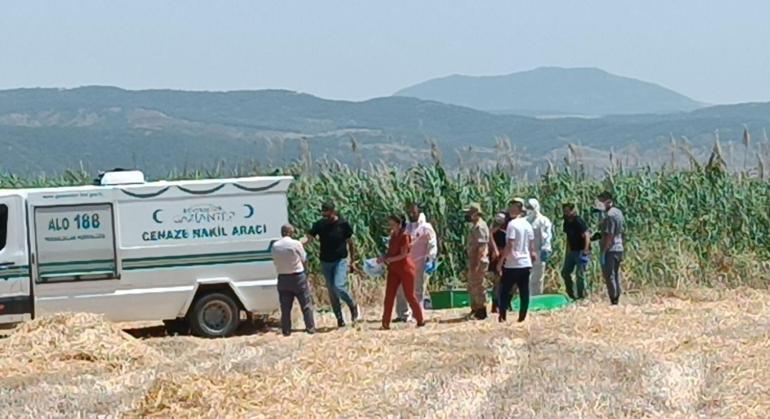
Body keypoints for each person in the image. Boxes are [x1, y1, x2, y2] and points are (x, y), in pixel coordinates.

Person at [304, 202, 361, 328]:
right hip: (325, 261)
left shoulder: (343, 225)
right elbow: (309, 238)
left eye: (328, 213)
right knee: (331, 291)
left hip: (340, 260)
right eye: (323, 213)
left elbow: (351, 243)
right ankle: (339, 319)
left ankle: (352, 305)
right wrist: (296, 245)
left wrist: (352, 261)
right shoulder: (320, 224)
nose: (326, 216)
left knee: (338, 286)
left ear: (334, 211)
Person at [379, 214, 426, 330]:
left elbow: (404, 254)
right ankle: (385, 323)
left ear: (399, 225)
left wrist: (390, 259)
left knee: (410, 295)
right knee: (389, 296)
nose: (391, 227)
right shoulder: (393, 236)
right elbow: (391, 252)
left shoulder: (405, 236)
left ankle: (420, 320)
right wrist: (383, 258)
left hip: (405, 268)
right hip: (394, 269)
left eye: (393, 225)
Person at [395, 203, 438, 322]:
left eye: (414, 212)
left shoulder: (426, 227)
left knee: (417, 290)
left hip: (420, 263)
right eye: (410, 212)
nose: (411, 214)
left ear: (419, 212)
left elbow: (432, 243)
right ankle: (402, 314)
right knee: (401, 288)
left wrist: (431, 259)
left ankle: (417, 314)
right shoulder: (408, 227)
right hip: (406, 263)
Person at [496, 198, 537, 322]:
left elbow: (510, 245)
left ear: (518, 209)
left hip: (513, 264)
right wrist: (531, 257)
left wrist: (500, 261)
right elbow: (532, 246)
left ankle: (502, 317)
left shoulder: (512, 225)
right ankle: (522, 317)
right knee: (524, 291)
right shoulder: (527, 225)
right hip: (525, 263)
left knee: (504, 291)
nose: (510, 210)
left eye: (512, 207)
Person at [271, 224, 316, 336]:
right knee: (305, 304)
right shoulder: (296, 244)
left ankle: (286, 330)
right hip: (297, 276)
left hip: (283, 277)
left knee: (285, 307)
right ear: (290, 233)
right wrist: (306, 271)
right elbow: (304, 258)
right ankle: (310, 327)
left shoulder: (275, 245)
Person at [597, 191, 625, 305]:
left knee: (609, 275)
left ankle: (614, 300)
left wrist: (604, 250)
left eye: (601, 201)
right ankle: (616, 297)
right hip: (619, 248)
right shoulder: (618, 212)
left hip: (611, 249)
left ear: (608, 201)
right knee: (615, 274)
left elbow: (609, 235)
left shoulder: (610, 216)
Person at [464, 202, 490, 320]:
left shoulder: (480, 226)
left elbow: (481, 246)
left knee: (479, 285)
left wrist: (477, 263)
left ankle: (481, 310)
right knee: (473, 285)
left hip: (479, 260)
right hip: (474, 259)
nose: (467, 215)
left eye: (469, 213)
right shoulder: (475, 226)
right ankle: (475, 308)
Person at [561, 203, 591, 300]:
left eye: (567, 211)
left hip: (581, 251)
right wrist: (567, 251)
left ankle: (582, 296)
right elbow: (568, 238)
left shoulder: (578, 221)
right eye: (564, 211)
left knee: (580, 274)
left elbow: (586, 235)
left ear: (572, 210)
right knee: (565, 272)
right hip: (572, 251)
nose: (566, 213)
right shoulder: (566, 221)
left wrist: (586, 249)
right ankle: (571, 294)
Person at [526, 198, 553, 296]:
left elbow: (547, 236)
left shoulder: (543, 220)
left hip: (539, 251)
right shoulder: (526, 220)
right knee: (527, 276)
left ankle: (536, 296)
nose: (529, 209)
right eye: (528, 207)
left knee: (537, 276)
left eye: (531, 207)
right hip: (527, 252)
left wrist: (545, 249)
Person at [488, 212, 509, 313]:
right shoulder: (493, 231)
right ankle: (495, 304)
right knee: (498, 281)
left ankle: (506, 303)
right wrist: (495, 249)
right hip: (497, 257)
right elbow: (489, 235)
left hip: (507, 255)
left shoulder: (510, 227)